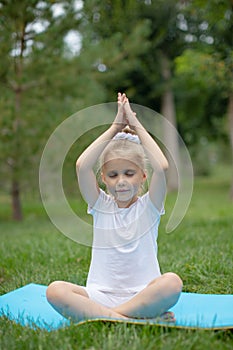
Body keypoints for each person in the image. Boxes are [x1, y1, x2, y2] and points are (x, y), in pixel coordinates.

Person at [46, 93, 183, 322]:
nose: (121, 181)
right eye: (113, 174)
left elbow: (162, 166)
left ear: (142, 176)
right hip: (100, 296)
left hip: (143, 294)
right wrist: (114, 127)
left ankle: (105, 318)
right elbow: (81, 166)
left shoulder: (149, 206)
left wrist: (135, 124)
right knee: (54, 290)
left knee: (172, 283)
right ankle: (130, 319)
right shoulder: (100, 205)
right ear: (104, 178)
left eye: (129, 174)